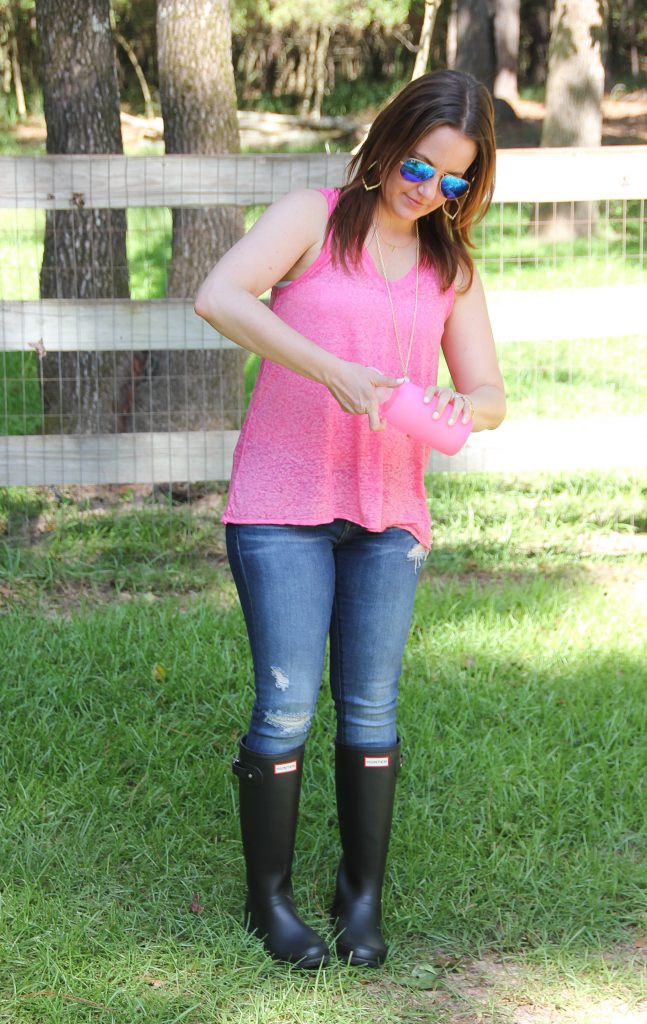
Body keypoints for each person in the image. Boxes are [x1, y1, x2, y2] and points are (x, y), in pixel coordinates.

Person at [194, 69, 506, 970]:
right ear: (387, 143)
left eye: (454, 182)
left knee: (371, 706)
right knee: (286, 704)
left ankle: (359, 903)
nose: (430, 191)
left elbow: (490, 393)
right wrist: (326, 367)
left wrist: (464, 406)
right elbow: (220, 296)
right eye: (420, 167)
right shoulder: (311, 217)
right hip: (282, 501)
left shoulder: (450, 266)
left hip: (390, 509)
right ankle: (272, 904)